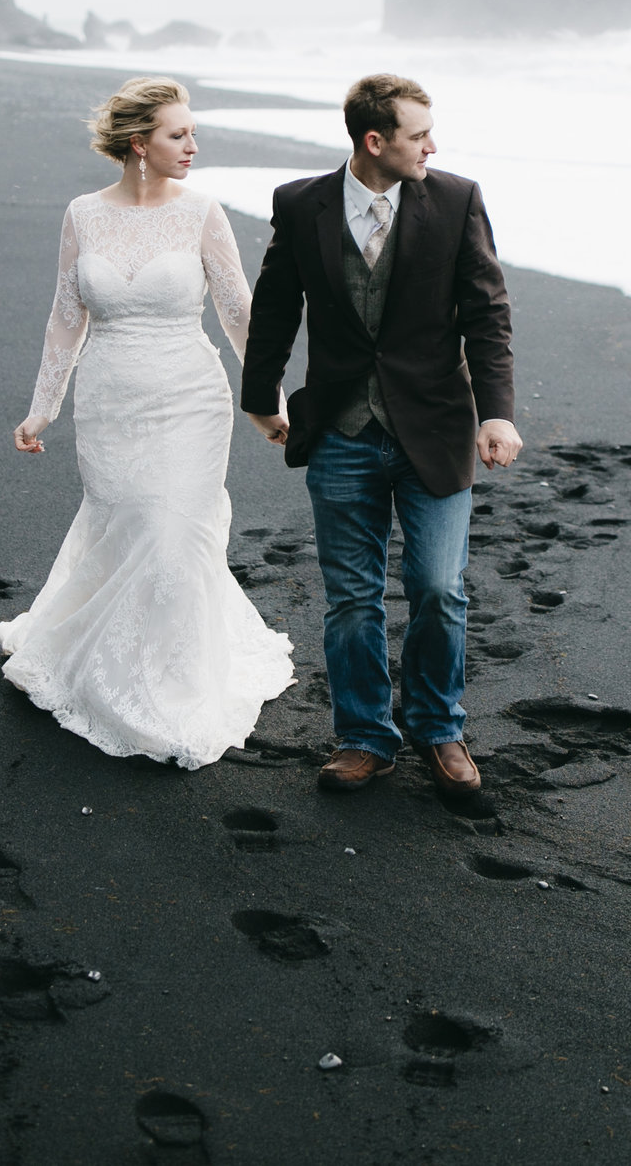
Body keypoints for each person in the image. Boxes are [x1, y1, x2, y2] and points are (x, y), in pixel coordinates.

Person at [241, 74, 519, 797]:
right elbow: (275, 303)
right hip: (338, 427)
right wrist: (261, 396)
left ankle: (437, 726)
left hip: (436, 424)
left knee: (436, 586)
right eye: (418, 133)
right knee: (353, 596)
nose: (433, 144)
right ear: (375, 140)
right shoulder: (301, 204)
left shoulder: (456, 200)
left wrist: (497, 410)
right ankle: (365, 735)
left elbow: (487, 313)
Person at [2, 77, 293, 768]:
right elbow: (66, 317)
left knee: (173, 536)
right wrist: (43, 405)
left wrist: (269, 401)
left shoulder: (202, 214)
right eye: (177, 134)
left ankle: (175, 688)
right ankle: (97, 653)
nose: (193, 145)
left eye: (192, 132)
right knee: (127, 524)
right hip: (110, 401)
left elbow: (239, 314)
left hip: (190, 397)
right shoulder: (82, 214)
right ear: (140, 144)